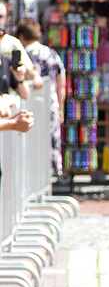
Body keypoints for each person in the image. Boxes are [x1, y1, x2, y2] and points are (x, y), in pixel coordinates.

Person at [15, 20, 65, 177]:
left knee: (30, 146)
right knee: (49, 143)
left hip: (27, 108)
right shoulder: (52, 54)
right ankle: (49, 178)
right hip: (50, 105)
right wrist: (60, 108)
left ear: (21, 36)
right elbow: (61, 84)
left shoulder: (23, 55)